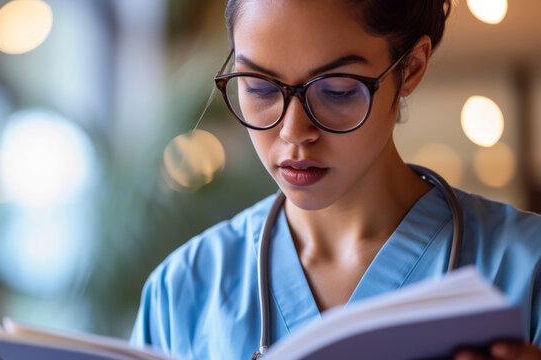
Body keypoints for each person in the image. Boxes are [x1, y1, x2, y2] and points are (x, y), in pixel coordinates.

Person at [129, 1, 541, 359]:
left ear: (411, 67)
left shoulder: (527, 268)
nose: (293, 131)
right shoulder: (182, 291)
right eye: (257, 86)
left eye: (338, 90)